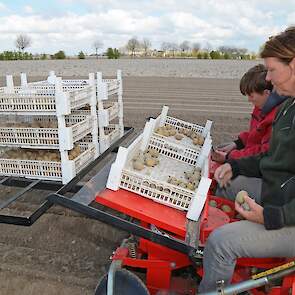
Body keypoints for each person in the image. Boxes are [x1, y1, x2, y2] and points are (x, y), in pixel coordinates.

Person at [198, 27, 295, 293]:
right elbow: (271, 156)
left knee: (220, 243)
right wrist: (234, 164)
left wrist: (271, 216)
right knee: (229, 183)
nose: (268, 79)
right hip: (281, 197)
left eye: (272, 70)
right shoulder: (289, 107)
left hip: (289, 217)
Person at [211, 64, 287, 163]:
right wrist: (237, 144)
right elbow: (255, 135)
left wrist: (229, 157)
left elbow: (263, 152)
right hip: (251, 158)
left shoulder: (277, 117)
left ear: (266, 93)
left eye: (251, 96)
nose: (249, 100)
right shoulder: (260, 108)